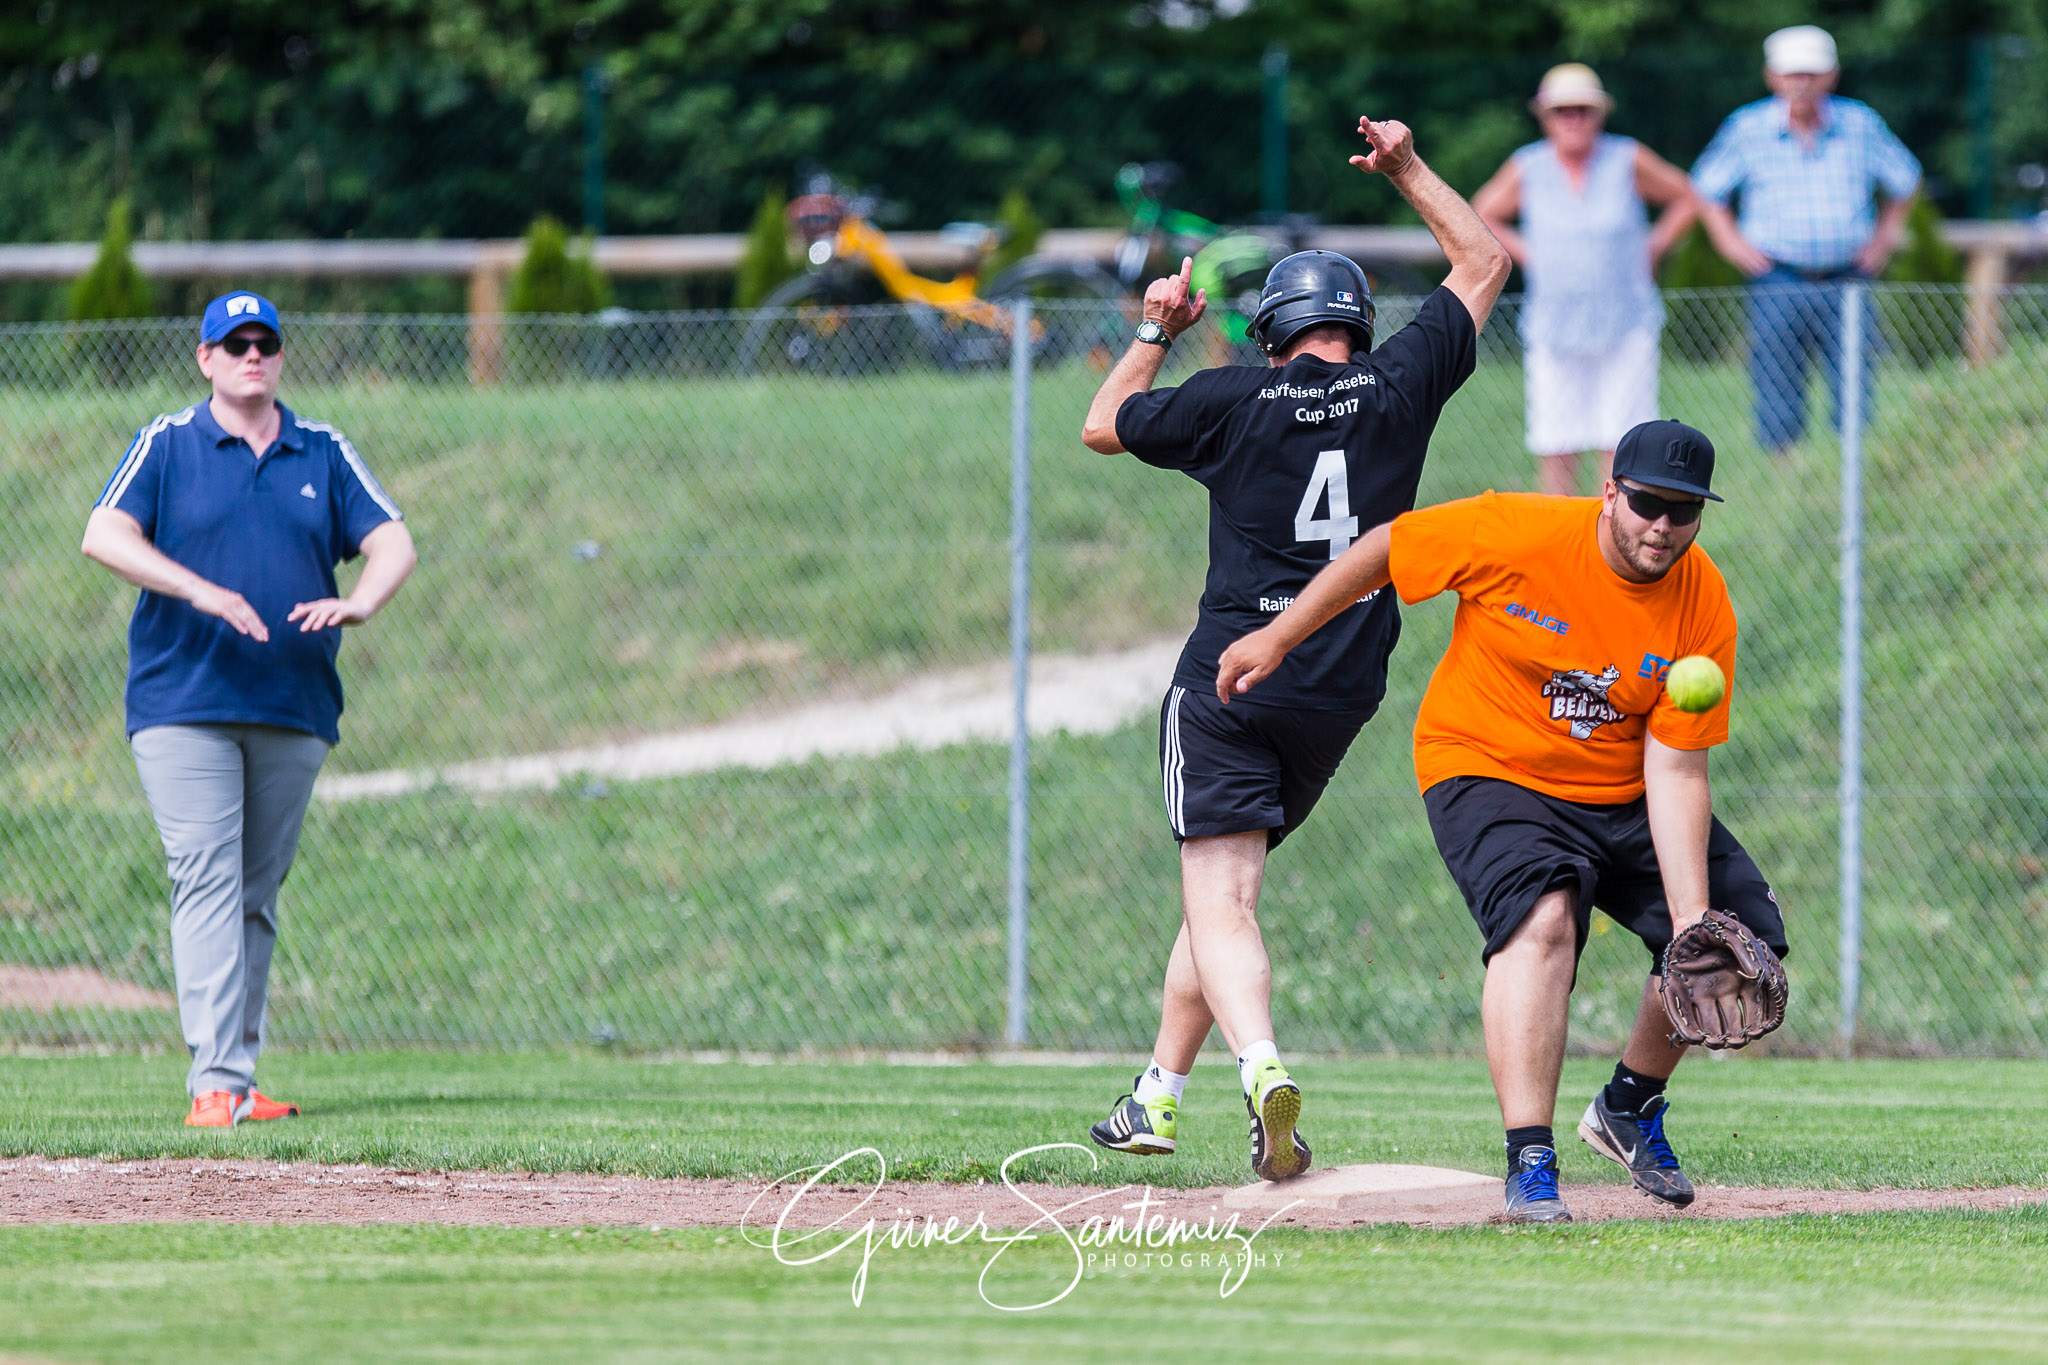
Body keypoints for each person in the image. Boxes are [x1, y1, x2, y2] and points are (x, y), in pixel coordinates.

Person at [1077, 117, 1510, 1181]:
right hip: (1338, 681)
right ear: (1358, 327)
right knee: (1221, 893)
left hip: (1234, 670)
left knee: (1216, 896)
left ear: (1268, 333)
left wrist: (1156, 327)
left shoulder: (1231, 397)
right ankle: (1155, 1096)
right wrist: (1405, 167)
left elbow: (1102, 423)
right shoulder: (1402, 384)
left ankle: (1260, 1068)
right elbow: (1485, 257)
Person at [1215, 419, 1788, 1222]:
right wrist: (1279, 635)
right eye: (1648, 502)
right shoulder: (1515, 533)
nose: (1663, 525)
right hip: (1487, 763)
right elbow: (1385, 546)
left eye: (1683, 510)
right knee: (1545, 917)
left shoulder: (1702, 602)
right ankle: (1531, 1158)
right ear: (1611, 491)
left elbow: (1676, 766)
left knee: (1730, 932)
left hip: (1618, 785)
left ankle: (1629, 1104)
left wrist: (1691, 917)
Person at [81, 291, 417, 1128]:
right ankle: (215, 1083)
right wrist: (200, 590)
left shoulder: (322, 449)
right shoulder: (168, 443)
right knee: (205, 876)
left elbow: (393, 541)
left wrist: (363, 603)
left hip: (292, 702)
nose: (252, 356)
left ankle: (239, 1071)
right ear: (205, 359)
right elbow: (104, 535)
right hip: (183, 701)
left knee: (254, 894)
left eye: (264, 342)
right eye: (234, 345)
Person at [1690, 24, 1921, 454]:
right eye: (1792, 73)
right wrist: (1730, 243)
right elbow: (1706, 189)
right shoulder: (1747, 128)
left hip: (1848, 276)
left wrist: (1884, 241)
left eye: (1811, 73)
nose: (1802, 83)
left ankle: (1846, 474)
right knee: (1776, 381)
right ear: (1772, 77)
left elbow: (1905, 180)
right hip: (1777, 276)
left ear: (1831, 76)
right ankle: (1787, 479)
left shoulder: (1861, 123)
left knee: (1853, 381)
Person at [1471, 63, 1698, 495]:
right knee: (1556, 443)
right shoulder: (1529, 165)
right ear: (1545, 116)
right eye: (1562, 110)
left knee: (1621, 444)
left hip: (1625, 322)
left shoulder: (1627, 158)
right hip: (1554, 325)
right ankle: (1562, 542)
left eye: (1582, 109)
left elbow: (1686, 196)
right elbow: (1482, 211)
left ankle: (1607, 542)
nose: (1573, 119)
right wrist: (1527, 253)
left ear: (1599, 114)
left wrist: (1654, 245)